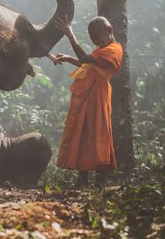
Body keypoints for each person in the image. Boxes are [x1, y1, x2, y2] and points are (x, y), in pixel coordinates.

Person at [52, 15, 123, 188]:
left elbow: (85, 59)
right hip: (87, 95)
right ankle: (82, 180)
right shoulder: (102, 48)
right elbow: (89, 66)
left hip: (98, 97)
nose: (95, 42)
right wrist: (69, 58)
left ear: (109, 30)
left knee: (99, 134)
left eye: (97, 37)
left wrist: (70, 34)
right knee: (83, 133)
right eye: (92, 39)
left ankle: (100, 181)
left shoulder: (113, 50)